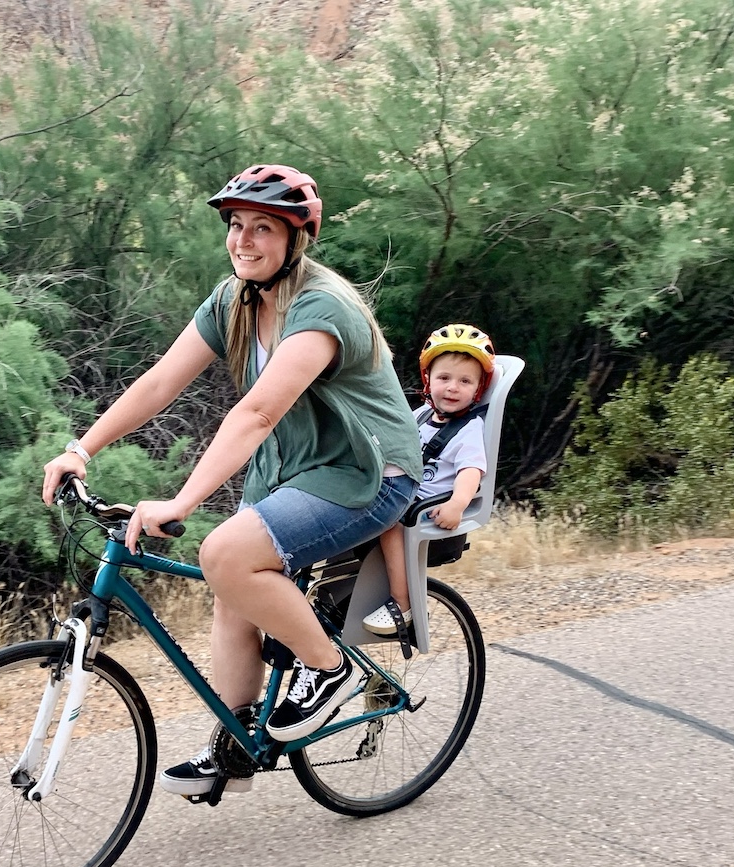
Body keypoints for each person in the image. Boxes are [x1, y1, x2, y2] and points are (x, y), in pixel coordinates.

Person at [41, 164, 423, 797]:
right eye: (237, 225)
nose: (244, 240)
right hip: (294, 467)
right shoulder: (235, 300)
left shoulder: (322, 307)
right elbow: (163, 381)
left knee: (224, 553)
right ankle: (238, 744)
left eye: (263, 228)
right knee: (231, 586)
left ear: (297, 238)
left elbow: (257, 412)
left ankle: (329, 670)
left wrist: (183, 501)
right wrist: (82, 447)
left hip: (367, 471)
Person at [363, 323, 496, 636]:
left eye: (465, 381)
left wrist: (458, 503)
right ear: (428, 379)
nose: (452, 387)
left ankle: (402, 603)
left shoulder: (468, 430)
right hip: (402, 488)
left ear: (478, 389)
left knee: (389, 521)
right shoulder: (421, 414)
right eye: (444, 378)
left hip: (423, 506)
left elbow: (471, 471)